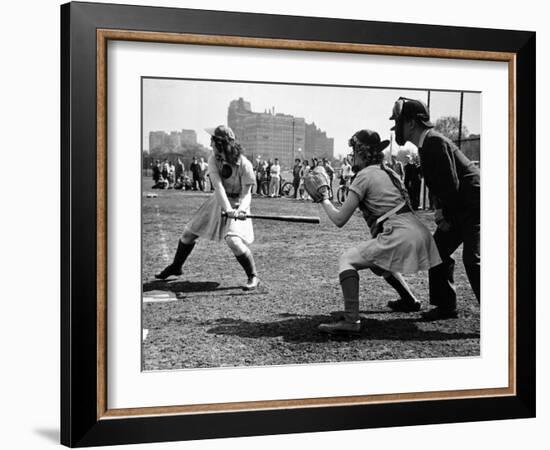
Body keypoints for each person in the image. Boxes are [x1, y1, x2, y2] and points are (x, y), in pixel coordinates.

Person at [305, 129, 441, 334]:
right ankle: (410, 300)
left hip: (400, 232)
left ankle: (351, 321)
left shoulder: (363, 176)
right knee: (378, 262)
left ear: (361, 153)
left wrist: (324, 199)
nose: (352, 156)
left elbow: (339, 219)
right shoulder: (387, 170)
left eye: (354, 150)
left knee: (347, 260)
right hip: (418, 231)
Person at [390, 97, 480, 320]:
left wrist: (446, 215)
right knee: (437, 251)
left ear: (411, 123)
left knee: (473, 259)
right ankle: (446, 306)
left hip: (474, 204)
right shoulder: (426, 144)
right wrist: (442, 210)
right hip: (460, 203)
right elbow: (440, 185)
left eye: (399, 122)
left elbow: (452, 184)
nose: (397, 128)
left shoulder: (434, 142)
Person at [155, 125, 260, 290]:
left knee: (233, 240)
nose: (210, 144)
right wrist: (228, 209)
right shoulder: (213, 159)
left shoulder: (245, 164)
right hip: (219, 201)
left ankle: (253, 276)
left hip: (239, 204)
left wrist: (240, 210)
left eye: (213, 141)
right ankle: (176, 266)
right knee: (188, 234)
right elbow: (218, 187)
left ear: (221, 144)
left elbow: (247, 194)